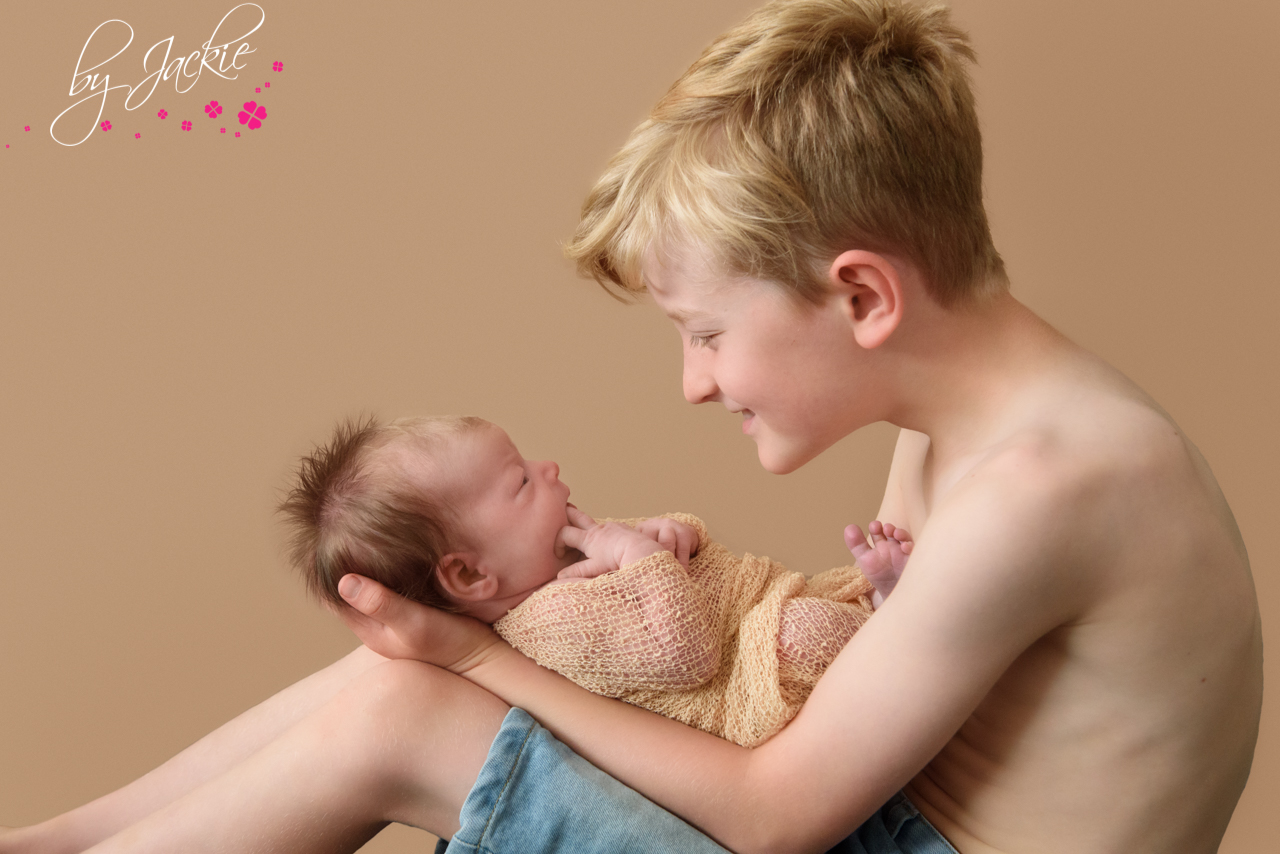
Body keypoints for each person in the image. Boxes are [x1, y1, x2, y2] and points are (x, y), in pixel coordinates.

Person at [2, 0, 1261, 852]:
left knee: (404, 706)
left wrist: (483, 658)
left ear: (860, 294)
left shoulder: (1049, 484)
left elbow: (777, 815)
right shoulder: (961, 421)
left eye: (707, 330)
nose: (695, 383)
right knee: (396, 674)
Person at [279, 414, 899, 747]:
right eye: (520, 481)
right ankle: (895, 634)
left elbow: (669, 550)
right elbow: (687, 655)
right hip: (747, 680)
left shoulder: (563, 559)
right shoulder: (550, 627)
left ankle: (880, 608)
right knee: (805, 634)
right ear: (469, 573)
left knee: (823, 599)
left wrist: (668, 534)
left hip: (757, 610)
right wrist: (639, 558)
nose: (547, 467)